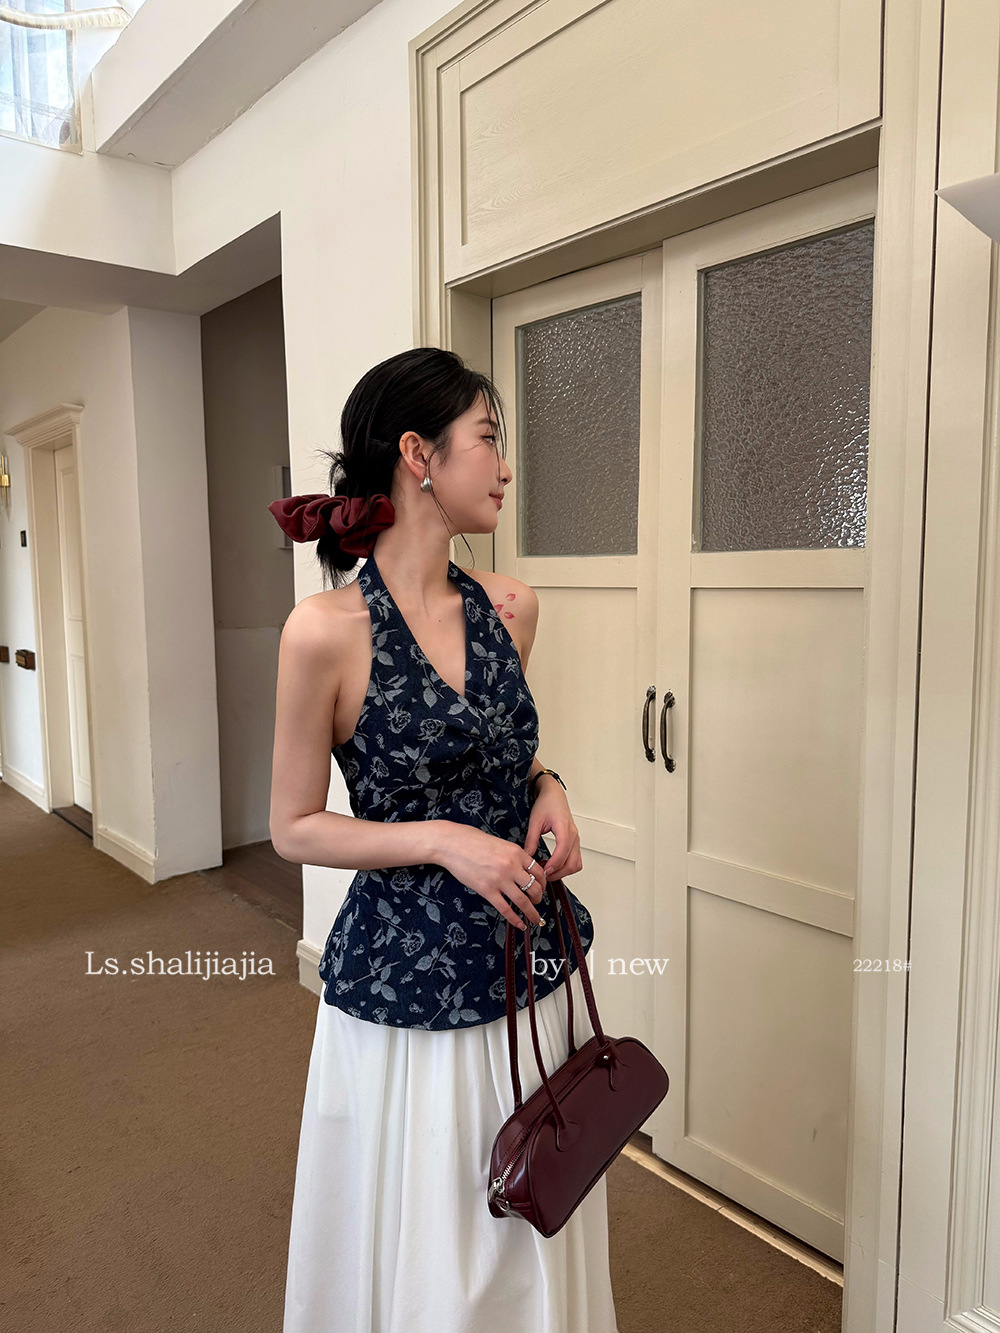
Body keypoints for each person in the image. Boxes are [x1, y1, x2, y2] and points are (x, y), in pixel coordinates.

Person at [269, 347, 619, 1333]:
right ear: (419, 455)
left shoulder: (511, 607)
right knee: (439, 1226)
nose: (506, 468)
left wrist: (549, 786)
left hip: (529, 956)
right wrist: (444, 841)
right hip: (406, 983)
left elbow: (498, 756)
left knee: (534, 1185)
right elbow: (291, 825)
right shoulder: (323, 632)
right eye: (489, 440)